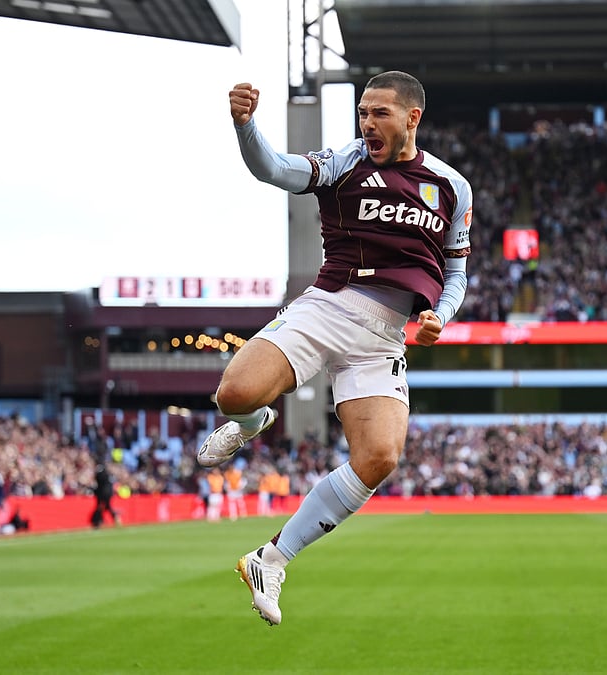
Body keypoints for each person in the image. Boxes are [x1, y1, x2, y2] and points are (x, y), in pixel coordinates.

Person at [197, 70, 472, 625]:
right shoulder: (345, 162)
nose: (367, 123)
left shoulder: (451, 185)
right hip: (329, 307)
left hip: (385, 337)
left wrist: (438, 316)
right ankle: (252, 422)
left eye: (380, 114)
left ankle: (270, 559)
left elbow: (457, 272)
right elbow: (274, 169)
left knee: (380, 458)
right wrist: (246, 126)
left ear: (412, 118)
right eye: (363, 112)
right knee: (233, 395)